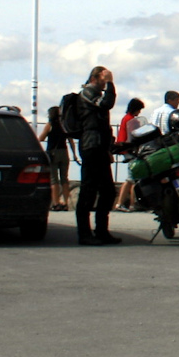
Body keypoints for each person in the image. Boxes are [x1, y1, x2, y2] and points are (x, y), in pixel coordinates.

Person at [68, 66, 118, 245]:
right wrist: (111, 83)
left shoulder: (96, 94)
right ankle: (84, 234)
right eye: (104, 78)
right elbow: (106, 104)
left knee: (108, 191)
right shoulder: (87, 93)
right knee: (88, 190)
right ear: (96, 77)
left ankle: (102, 231)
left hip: (100, 147)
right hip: (91, 146)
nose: (106, 82)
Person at [114, 98, 148, 210]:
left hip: (125, 150)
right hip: (130, 150)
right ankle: (130, 204)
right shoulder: (131, 120)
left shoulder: (126, 118)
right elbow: (136, 134)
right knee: (132, 178)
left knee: (133, 178)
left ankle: (129, 204)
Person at [38, 105, 73, 211]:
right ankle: (66, 203)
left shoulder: (50, 125)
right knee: (64, 179)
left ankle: (56, 203)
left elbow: (41, 138)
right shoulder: (64, 125)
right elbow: (71, 141)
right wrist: (75, 155)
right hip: (64, 152)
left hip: (53, 153)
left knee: (54, 180)